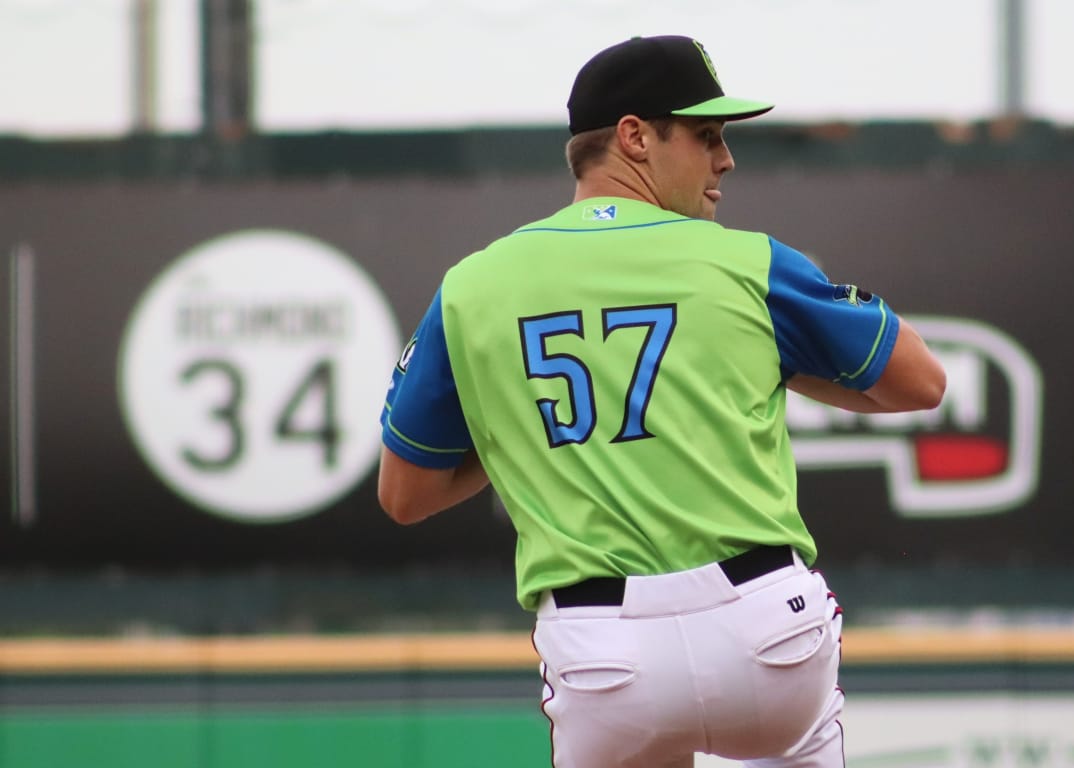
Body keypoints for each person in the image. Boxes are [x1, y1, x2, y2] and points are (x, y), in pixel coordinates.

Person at [377, 34, 946, 768]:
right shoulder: (744, 261)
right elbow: (920, 382)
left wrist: (512, 418)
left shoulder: (473, 287)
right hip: (764, 633)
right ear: (635, 137)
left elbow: (404, 494)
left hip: (603, 654)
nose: (725, 159)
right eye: (706, 135)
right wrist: (773, 365)